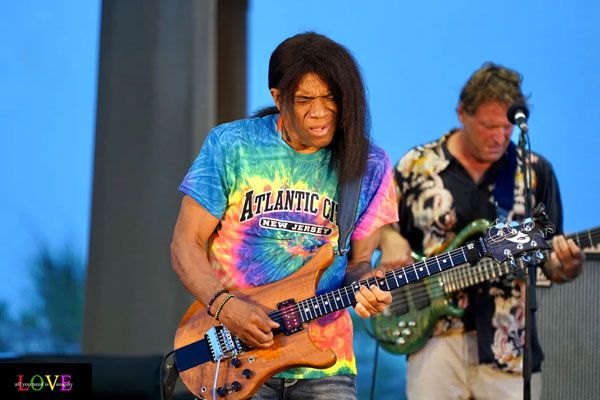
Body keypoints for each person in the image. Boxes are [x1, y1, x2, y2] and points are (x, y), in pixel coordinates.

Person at [170, 32, 399, 399]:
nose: (320, 112)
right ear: (278, 98)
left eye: (331, 98)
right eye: (305, 100)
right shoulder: (232, 145)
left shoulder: (369, 164)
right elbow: (185, 244)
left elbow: (357, 263)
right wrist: (227, 308)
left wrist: (367, 284)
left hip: (326, 359)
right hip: (233, 354)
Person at [379, 62, 585, 400]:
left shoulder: (534, 173)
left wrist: (566, 267)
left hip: (510, 348)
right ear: (462, 113)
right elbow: (377, 225)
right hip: (433, 341)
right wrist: (389, 237)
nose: (499, 137)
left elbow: (549, 257)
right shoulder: (415, 166)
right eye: (489, 126)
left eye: (506, 129)